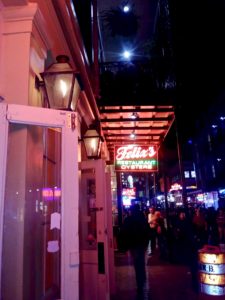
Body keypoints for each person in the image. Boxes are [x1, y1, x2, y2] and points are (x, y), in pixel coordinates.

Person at [121, 204, 150, 295]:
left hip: (134, 244)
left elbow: (124, 233)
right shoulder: (143, 219)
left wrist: (125, 247)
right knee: (141, 262)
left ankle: (140, 284)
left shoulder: (129, 219)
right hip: (141, 244)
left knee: (137, 263)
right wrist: (145, 243)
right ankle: (143, 279)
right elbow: (147, 232)